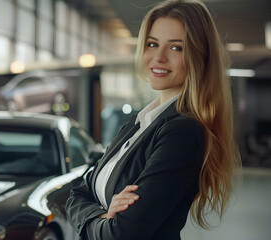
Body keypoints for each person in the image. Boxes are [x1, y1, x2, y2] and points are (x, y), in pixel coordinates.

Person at [65, 0, 241, 239]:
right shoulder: (138, 123)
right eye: (152, 44)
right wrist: (102, 216)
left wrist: (93, 217)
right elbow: (76, 193)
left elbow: (122, 233)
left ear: (199, 56)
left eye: (176, 48)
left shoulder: (183, 131)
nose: (158, 57)